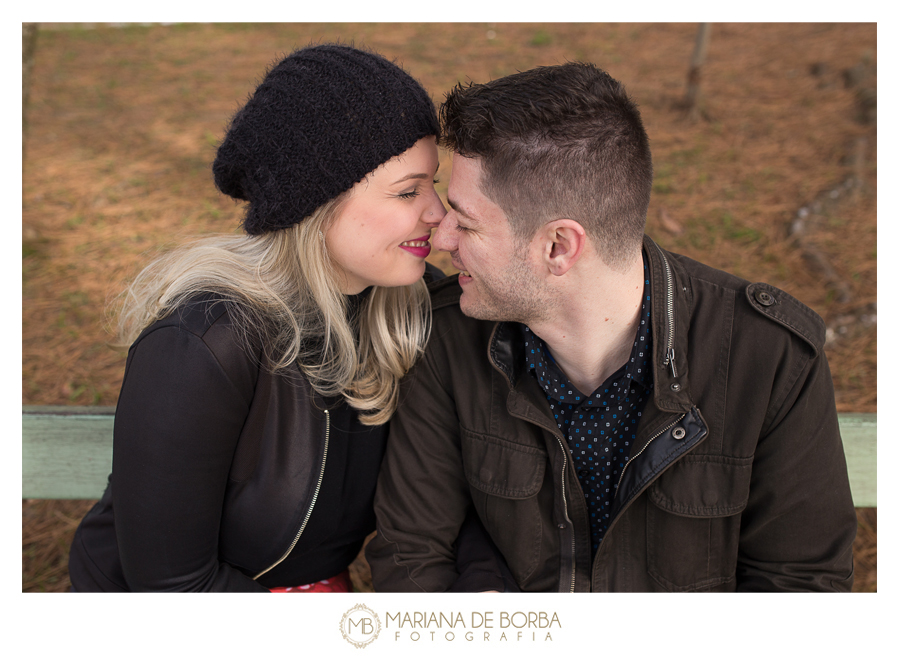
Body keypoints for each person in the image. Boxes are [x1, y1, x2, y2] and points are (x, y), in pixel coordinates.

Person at [365, 62, 858, 592]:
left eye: (467, 222)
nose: (443, 240)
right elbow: (412, 557)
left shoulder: (771, 359)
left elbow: (801, 591)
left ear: (558, 247)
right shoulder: (449, 338)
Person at [68, 44, 456, 592]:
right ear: (316, 203)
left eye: (432, 184)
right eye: (408, 191)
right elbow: (171, 586)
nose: (437, 213)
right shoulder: (205, 344)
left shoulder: (419, 309)